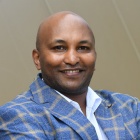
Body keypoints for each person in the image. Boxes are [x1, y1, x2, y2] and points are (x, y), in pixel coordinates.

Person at [0, 11, 139, 140]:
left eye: (83, 48)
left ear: (95, 57)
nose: (72, 59)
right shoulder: (18, 116)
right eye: (59, 48)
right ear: (37, 59)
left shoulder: (129, 108)